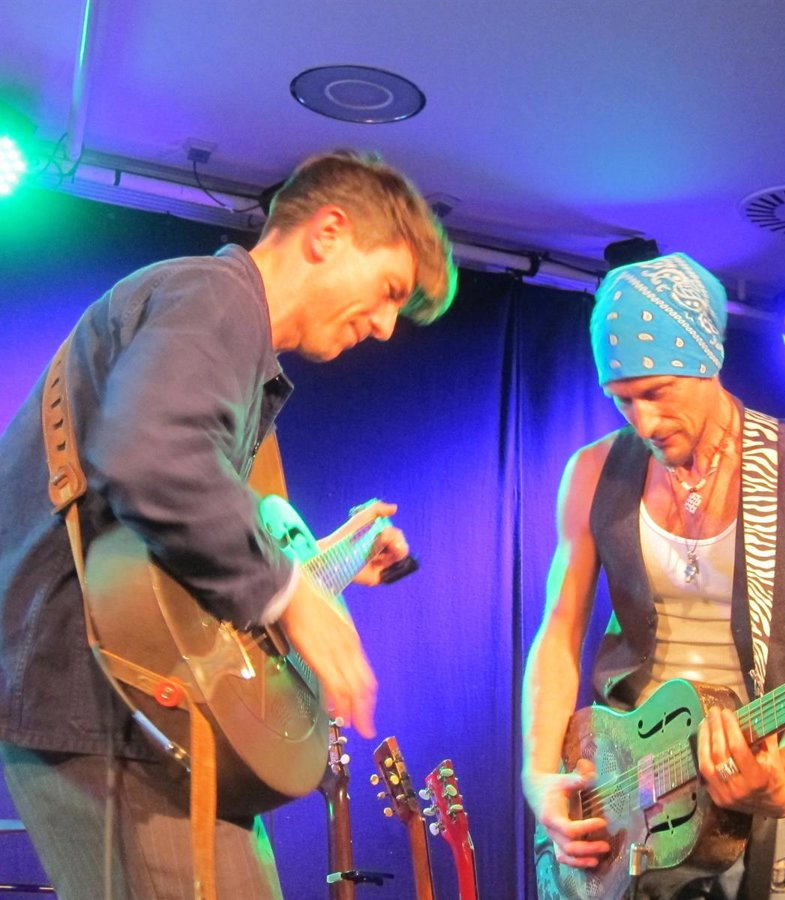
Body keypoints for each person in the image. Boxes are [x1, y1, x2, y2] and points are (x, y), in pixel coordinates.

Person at [0, 149, 457, 899]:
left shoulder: (230, 337)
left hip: (138, 712)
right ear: (328, 233)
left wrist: (325, 569)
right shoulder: (215, 299)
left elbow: (177, 552)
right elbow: (153, 457)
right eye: (388, 292)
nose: (383, 328)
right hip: (108, 709)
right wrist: (291, 595)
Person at [521, 253, 785, 898]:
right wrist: (539, 776)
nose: (644, 422)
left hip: (774, 783)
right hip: (640, 798)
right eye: (622, 400)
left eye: (657, 392)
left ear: (708, 361)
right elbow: (559, 632)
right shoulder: (593, 473)